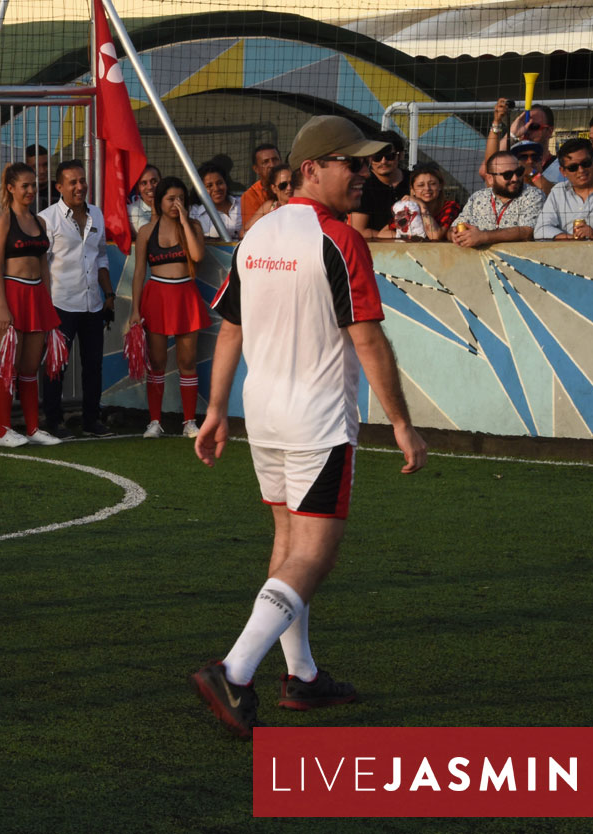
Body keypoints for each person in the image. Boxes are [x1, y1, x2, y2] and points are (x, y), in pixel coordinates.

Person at [191, 115, 427, 737]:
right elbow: (367, 339)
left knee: (289, 545)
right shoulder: (338, 239)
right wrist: (402, 423)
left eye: (365, 162)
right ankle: (234, 671)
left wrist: (217, 411)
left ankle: (301, 675)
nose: (363, 173)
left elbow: (231, 329)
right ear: (312, 169)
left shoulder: (258, 234)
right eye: (351, 163)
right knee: (314, 556)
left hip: (264, 418)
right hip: (317, 424)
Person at [0, 162, 63, 447]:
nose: (31, 190)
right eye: (25, 186)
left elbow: (43, 264)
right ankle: (4, 431)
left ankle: (32, 428)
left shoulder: (40, 222)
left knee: (30, 369)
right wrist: (3, 306)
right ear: (11, 188)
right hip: (11, 295)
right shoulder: (5, 220)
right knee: (9, 366)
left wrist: (47, 302)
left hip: (36, 297)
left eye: (33, 185)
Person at [39, 160, 114, 438]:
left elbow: (101, 256)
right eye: (73, 182)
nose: (80, 186)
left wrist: (109, 294)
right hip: (61, 303)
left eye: (82, 180)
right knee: (56, 364)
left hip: (93, 302)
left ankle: (91, 420)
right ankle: (53, 420)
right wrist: (45, 305)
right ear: (59, 187)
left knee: (94, 365)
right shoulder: (47, 218)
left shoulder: (97, 214)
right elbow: (42, 264)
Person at [129, 176, 208, 439]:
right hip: (157, 297)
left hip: (186, 295)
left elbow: (197, 256)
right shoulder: (146, 231)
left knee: (187, 361)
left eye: (181, 199)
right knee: (157, 362)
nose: (176, 204)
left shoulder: (193, 226)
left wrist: (184, 221)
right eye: (171, 199)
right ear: (159, 201)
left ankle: (189, 422)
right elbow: (139, 272)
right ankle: (154, 421)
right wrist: (135, 310)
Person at [450, 150, 544, 247]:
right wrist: (455, 235)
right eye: (507, 175)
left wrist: (483, 236)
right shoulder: (478, 197)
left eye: (518, 172)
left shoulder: (533, 194)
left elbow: (527, 232)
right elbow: (454, 227)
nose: (515, 179)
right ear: (490, 178)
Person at [348, 130, 408, 239]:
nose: (383, 161)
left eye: (389, 156)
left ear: (400, 155)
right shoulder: (362, 185)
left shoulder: (415, 181)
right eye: (377, 157)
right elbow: (358, 230)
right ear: (370, 158)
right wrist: (395, 238)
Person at [533, 138, 593, 240]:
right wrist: (571, 238)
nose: (581, 170)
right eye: (573, 167)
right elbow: (541, 229)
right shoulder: (559, 191)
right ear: (563, 172)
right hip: (566, 249)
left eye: (586, 163)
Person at [390, 164, 460, 241]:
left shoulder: (450, 206)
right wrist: (405, 237)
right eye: (421, 185)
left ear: (440, 186)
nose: (427, 188)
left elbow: (434, 236)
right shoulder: (408, 209)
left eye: (432, 184)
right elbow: (383, 233)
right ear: (412, 190)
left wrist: (423, 207)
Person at [190, 163, 242, 240]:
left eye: (220, 183)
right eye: (209, 185)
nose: (216, 189)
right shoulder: (195, 213)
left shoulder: (242, 203)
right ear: (200, 189)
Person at [238, 143, 283, 225]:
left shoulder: (293, 186)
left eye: (275, 160)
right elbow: (251, 229)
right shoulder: (250, 196)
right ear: (256, 169)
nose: (272, 165)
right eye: (265, 162)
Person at [242, 164, 293, 234]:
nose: (289, 188)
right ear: (274, 188)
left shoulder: (302, 205)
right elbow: (244, 231)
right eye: (283, 185)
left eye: (292, 183)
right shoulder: (269, 206)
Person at [128, 164, 161, 232]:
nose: (150, 187)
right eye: (144, 183)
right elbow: (151, 234)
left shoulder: (170, 205)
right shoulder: (133, 210)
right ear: (138, 188)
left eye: (154, 181)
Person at [25, 144, 54, 210]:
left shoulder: (61, 191)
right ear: (26, 168)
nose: (42, 171)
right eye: (35, 166)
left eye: (45, 165)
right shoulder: (21, 193)